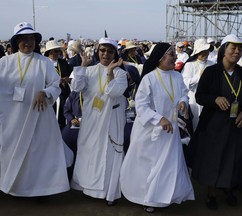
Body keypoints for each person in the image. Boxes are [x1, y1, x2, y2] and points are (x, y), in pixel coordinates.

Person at [120, 43, 195, 213]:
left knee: (168, 165)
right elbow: (141, 106)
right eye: (171, 54)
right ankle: (149, 198)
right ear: (160, 57)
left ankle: (165, 197)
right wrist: (159, 118)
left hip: (171, 130)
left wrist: (183, 102)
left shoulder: (177, 76)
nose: (175, 57)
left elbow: (183, 92)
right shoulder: (149, 78)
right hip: (150, 131)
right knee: (150, 165)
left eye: (175, 54)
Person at [0, 22, 72, 197]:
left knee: (37, 155)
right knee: (9, 152)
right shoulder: (4, 62)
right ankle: (10, 185)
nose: (28, 42)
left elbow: (55, 85)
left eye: (31, 38)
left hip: (38, 117)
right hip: (11, 120)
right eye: (24, 39)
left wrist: (45, 92)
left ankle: (38, 190)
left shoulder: (44, 62)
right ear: (16, 42)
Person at [191, 34, 242, 210]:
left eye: (239, 48)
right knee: (214, 157)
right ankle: (211, 192)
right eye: (233, 48)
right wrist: (215, 99)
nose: (237, 51)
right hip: (214, 124)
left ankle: (228, 188)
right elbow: (200, 95)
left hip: (235, 124)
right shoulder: (211, 72)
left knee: (232, 157)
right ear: (224, 49)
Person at [70, 37, 128, 206]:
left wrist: (110, 72)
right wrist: (83, 66)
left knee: (110, 154)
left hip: (112, 119)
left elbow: (115, 92)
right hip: (92, 119)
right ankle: (89, 188)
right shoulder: (88, 71)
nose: (106, 54)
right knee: (90, 152)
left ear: (115, 53)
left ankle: (109, 193)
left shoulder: (120, 73)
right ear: (98, 51)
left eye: (110, 51)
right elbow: (76, 87)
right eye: (102, 50)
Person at [181, 38, 214, 130]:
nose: (205, 53)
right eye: (202, 51)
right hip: (194, 99)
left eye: (206, 51)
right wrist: (199, 77)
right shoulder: (190, 65)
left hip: (209, 98)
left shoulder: (212, 64)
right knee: (196, 125)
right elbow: (185, 82)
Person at [44, 40, 72, 129]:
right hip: (51, 95)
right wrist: (56, 81)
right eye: (55, 51)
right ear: (49, 52)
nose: (57, 53)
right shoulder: (44, 64)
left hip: (64, 93)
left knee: (63, 115)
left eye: (58, 51)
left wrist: (68, 79)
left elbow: (70, 75)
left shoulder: (63, 62)